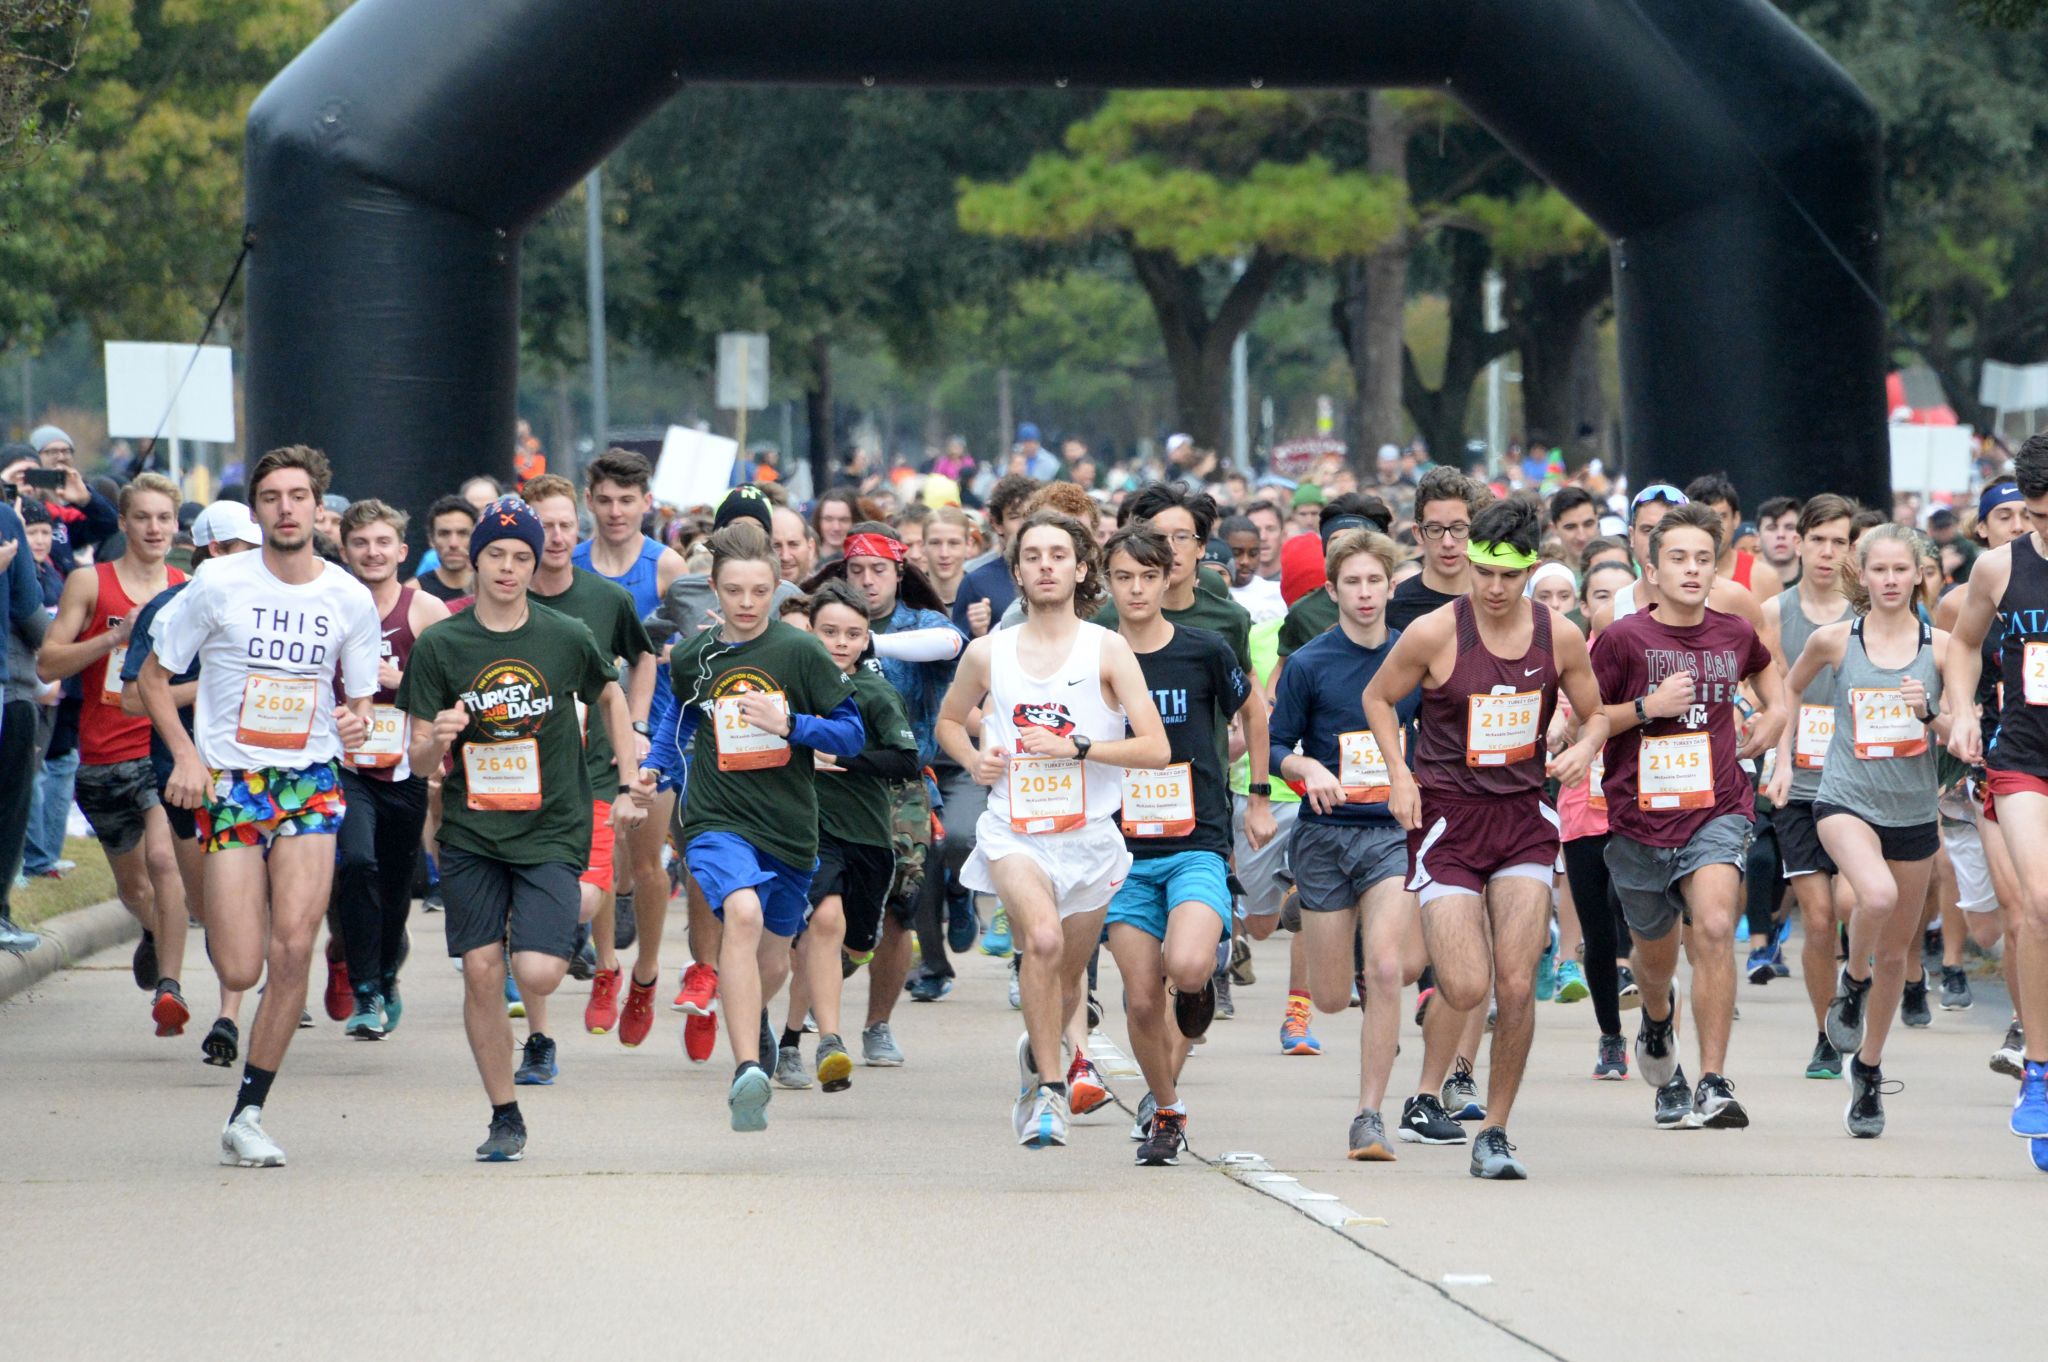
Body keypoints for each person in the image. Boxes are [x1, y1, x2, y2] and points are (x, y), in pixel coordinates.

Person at [138, 445, 382, 1167]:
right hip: (234, 781)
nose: (285, 508)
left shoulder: (347, 596)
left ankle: (249, 1111)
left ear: (318, 507)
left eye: (298, 495)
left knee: (295, 945)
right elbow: (154, 678)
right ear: (259, 510)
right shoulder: (218, 583)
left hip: (308, 779)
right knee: (241, 966)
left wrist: (358, 720)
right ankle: (239, 996)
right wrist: (186, 755)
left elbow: (360, 699)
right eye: (272, 497)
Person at [1365, 496, 1609, 1179]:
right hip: (1448, 818)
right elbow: (1379, 699)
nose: (1496, 590)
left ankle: (1495, 1131)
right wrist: (1398, 775)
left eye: (1510, 576)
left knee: (1516, 981)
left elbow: (1595, 716)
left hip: (1524, 819)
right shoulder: (1436, 633)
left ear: (1532, 568)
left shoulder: (1557, 634)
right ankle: (1425, 1085)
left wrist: (1583, 748)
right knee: (1468, 985)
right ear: (1469, 564)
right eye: (1484, 574)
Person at [399, 495, 644, 1160]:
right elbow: (419, 755)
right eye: (496, 555)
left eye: (522, 558)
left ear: (535, 566)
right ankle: (504, 1113)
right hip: (473, 832)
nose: (508, 568)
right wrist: (438, 740)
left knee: (535, 974)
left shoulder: (564, 637)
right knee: (481, 970)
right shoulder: (441, 644)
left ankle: (537, 928)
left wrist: (626, 780)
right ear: (474, 560)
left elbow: (612, 694)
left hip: (551, 824)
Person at [935, 510, 1169, 1149]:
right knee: (1037, 941)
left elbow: (1155, 746)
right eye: (1032, 555)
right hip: (1015, 829)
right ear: (1017, 572)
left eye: (1057, 555)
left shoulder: (1107, 648)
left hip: (1089, 834)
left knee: (1068, 973)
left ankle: (1037, 1056)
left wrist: (1080, 747)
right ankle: (1048, 1092)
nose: (1045, 565)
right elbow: (950, 722)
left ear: (1080, 568)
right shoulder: (989, 652)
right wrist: (972, 758)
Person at [642, 521, 868, 1132]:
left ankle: (744, 1016)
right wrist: (653, 769)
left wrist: (789, 724)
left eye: (759, 591)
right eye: (734, 591)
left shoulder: (800, 653)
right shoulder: (693, 655)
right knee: (738, 913)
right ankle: (747, 1071)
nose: (746, 603)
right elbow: (681, 724)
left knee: (774, 963)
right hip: (716, 816)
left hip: (789, 825)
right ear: (713, 590)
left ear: (775, 589)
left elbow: (851, 733)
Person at [1272, 526, 1472, 1159]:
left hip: (1393, 833)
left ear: (1392, 587)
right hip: (1326, 836)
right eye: (1351, 583)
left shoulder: (1415, 659)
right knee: (1333, 997)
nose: (1364, 594)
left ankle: (1369, 1117)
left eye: (1374, 582)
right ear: (1331, 591)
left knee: (1386, 970)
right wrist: (1307, 769)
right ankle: (1313, 914)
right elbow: (1276, 747)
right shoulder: (1309, 664)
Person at [1591, 502, 1783, 1133]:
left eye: (1704, 558)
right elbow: (1586, 721)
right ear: (1652, 566)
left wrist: (1774, 717)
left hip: (1717, 806)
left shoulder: (1733, 631)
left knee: (1718, 922)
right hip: (1641, 819)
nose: (1692, 569)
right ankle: (1654, 1020)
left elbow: (1769, 678)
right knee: (1655, 952)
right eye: (1678, 558)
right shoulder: (1622, 639)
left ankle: (1712, 1081)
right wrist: (1646, 706)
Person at [1101, 524, 1268, 1165]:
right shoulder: (1095, 658)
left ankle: (1199, 991)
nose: (1137, 589)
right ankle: (1165, 1109)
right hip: (1122, 849)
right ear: (1108, 583)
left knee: (1189, 965)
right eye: (1124, 577)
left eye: (1148, 575)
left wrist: (1256, 791)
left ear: (1170, 575)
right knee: (1142, 1000)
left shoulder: (1203, 649)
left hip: (1196, 837)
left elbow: (1253, 711)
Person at [1773, 524, 1947, 1137]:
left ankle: (1868, 1070)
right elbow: (1788, 692)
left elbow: (1958, 731)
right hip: (1843, 797)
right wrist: (1781, 757)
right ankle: (1851, 980)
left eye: (1903, 570)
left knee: (1898, 952)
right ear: (1863, 576)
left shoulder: (1942, 648)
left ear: (1920, 574)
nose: (1892, 580)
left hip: (1913, 810)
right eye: (1881, 570)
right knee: (1875, 895)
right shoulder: (1835, 641)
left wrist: (1931, 712)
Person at [37, 473, 192, 1034]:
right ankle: (154, 932)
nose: (154, 528)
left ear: (177, 527)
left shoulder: (186, 587)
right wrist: (113, 638)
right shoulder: (89, 582)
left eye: (164, 518)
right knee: (133, 889)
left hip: (160, 751)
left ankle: (169, 991)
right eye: (143, 517)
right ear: (123, 523)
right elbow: (47, 666)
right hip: (101, 758)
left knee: (164, 861)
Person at [116, 502, 262, 1064]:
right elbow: (132, 697)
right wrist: (205, 689)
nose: (257, 561)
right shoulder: (167, 609)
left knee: (240, 898)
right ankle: (200, 979)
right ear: (215, 552)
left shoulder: (272, 604)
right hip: (182, 778)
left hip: (254, 775)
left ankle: (229, 1016)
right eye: (245, 550)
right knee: (207, 901)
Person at [516, 474, 656, 1049]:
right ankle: (540, 1037)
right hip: (519, 778)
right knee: (527, 902)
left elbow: (643, 657)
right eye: (542, 525)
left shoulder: (604, 599)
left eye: (563, 525)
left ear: (579, 529)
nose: (553, 536)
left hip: (592, 769)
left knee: (581, 899)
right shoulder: (505, 595)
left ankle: (609, 967)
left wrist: (639, 727)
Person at [1940, 434, 2048, 1149]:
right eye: (2036, 515)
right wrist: (1959, 709)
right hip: (2025, 759)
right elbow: (1964, 643)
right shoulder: (1999, 567)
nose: (2044, 527)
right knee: (2040, 905)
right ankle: (2039, 1071)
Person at [777, 581, 917, 1092]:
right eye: (829, 631)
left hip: (869, 839)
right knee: (823, 923)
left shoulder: (875, 693)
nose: (840, 642)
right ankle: (824, 1042)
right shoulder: (790, 690)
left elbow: (906, 761)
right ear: (810, 633)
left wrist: (841, 758)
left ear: (866, 639)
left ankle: (791, 1036)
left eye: (852, 633)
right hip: (810, 829)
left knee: (849, 945)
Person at [572, 449, 687, 1045]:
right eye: (605, 500)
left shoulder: (666, 567)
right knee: (601, 855)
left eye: (628, 501)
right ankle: (607, 969)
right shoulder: (566, 565)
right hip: (585, 729)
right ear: (588, 501)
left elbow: (701, 645)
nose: (616, 512)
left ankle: (644, 975)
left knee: (644, 862)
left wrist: (672, 655)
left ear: (647, 504)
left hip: (654, 728)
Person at [333, 501, 449, 1039]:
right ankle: (364, 990)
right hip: (345, 762)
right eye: (360, 543)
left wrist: (400, 680)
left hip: (405, 765)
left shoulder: (424, 611)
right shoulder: (330, 604)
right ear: (344, 550)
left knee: (397, 884)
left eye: (382, 543)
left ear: (401, 551)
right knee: (356, 863)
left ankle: (385, 967)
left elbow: (456, 686)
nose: (371, 553)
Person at [1758, 494, 1856, 1076]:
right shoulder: (1774, 612)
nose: (1825, 552)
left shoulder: (1870, 614)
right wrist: (1781, 759)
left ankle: (1860, 987)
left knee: (1854, 904)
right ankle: (1826, 1032)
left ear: (1851, 549)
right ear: (1797, 542)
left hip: (1860, 781)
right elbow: (1772, 692)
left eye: (1838, 541)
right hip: (1797, 782)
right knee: (1818, 917)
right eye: (1816, 539)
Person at [0, 489, 49, 955]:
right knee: (9, 808)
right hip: (10, 687)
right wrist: (61, 651)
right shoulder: (4, 520)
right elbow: (28, 611)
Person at [951, 474, 1041, 638]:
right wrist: (977, 633)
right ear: (997, 524)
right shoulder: (976, 583)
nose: (1025, 524)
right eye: (1015, 517)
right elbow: (958, 655)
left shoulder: (1059, 573)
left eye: (1032, 515)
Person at [1686, 472, 1784, 601]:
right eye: (1704, 517)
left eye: (1721, 516)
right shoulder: (1672, 576)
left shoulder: (1764, 578)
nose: (1714, 526)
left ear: (1736, 519)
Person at [412, 496, 478, 603]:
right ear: (431, 540)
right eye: (444, 534)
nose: (453, 543)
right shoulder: (414, 593)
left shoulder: (492, 589)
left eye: (463, 533)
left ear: (477, 537)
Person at [1548, 486, 1601, 568]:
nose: (1581, 537)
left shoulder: (1619, 566)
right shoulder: (1546, 575)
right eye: (1570, 527)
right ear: (1554, 529)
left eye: (1588, 524)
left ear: (1597, 520)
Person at [1758, 496, 1803, 588]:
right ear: (1758, 537)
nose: (1781, 535)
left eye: (1790, 527)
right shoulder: (1740, 587)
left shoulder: (1816, 585)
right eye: (1772, 528)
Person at [770, 505, 819, 585]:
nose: (785, 557)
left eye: (793, 544)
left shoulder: (829, 596)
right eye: (776, 546)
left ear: (811, 548)